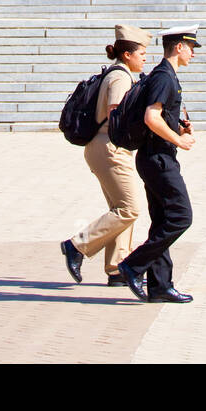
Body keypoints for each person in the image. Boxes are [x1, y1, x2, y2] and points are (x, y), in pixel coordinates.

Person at [115, 23, 201, 303]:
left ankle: (160, 286)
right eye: (191, 48)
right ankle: (132, 265)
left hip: (155, 158)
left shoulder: (164, 75)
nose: (193, 54)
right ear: (179, 47)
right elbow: (151, 118)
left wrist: (178, 127)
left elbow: (160, 117)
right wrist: (180, 141)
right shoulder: (165, 77)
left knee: (162, 220)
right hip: (159, 159)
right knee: (181, 216)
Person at [60, 24, 151, 286]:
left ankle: (117, 267)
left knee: (119, 207)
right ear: (127, 55)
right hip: (110, 147)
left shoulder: (118, 74)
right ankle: (77, 246)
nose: (145, 58)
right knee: (129, 208)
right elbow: (116, 113)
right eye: (141, 53)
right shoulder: (120, 77)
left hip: (104, 147)